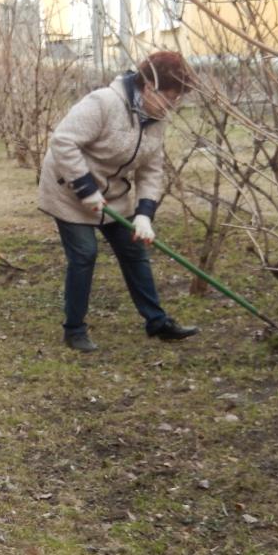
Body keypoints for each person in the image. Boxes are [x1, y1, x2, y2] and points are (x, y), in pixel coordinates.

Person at [38, 50, 200, 352]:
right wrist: (86, 190)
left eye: (178, 99)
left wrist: (144, 214)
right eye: (170, 97)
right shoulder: (104, 103)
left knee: (134, 251)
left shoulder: (155, 119)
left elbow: (152, 169)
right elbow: (63, 141)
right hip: (69, 189)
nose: (173, 105)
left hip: (113, 196)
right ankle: (74, 329)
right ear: (150, 87)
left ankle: (157, 322)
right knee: (84, 254)